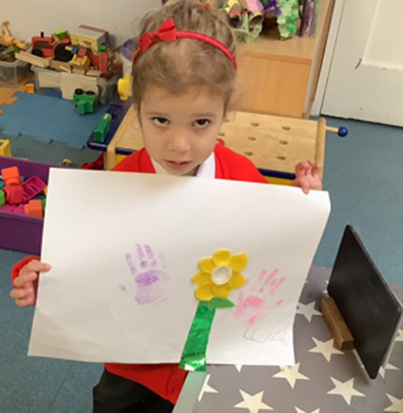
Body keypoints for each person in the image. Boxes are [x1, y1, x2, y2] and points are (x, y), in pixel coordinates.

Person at [10, 1, 322, 412]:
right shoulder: (115, 186)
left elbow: (273, 244)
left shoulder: (240, 174)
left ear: (225, 114)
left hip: (204, 356)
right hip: (130, 361)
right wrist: (36, 277)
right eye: (161, 120)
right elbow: (76, 258)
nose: (179, 145)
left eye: (200, 123)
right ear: (137, 110)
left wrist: (302, 206)